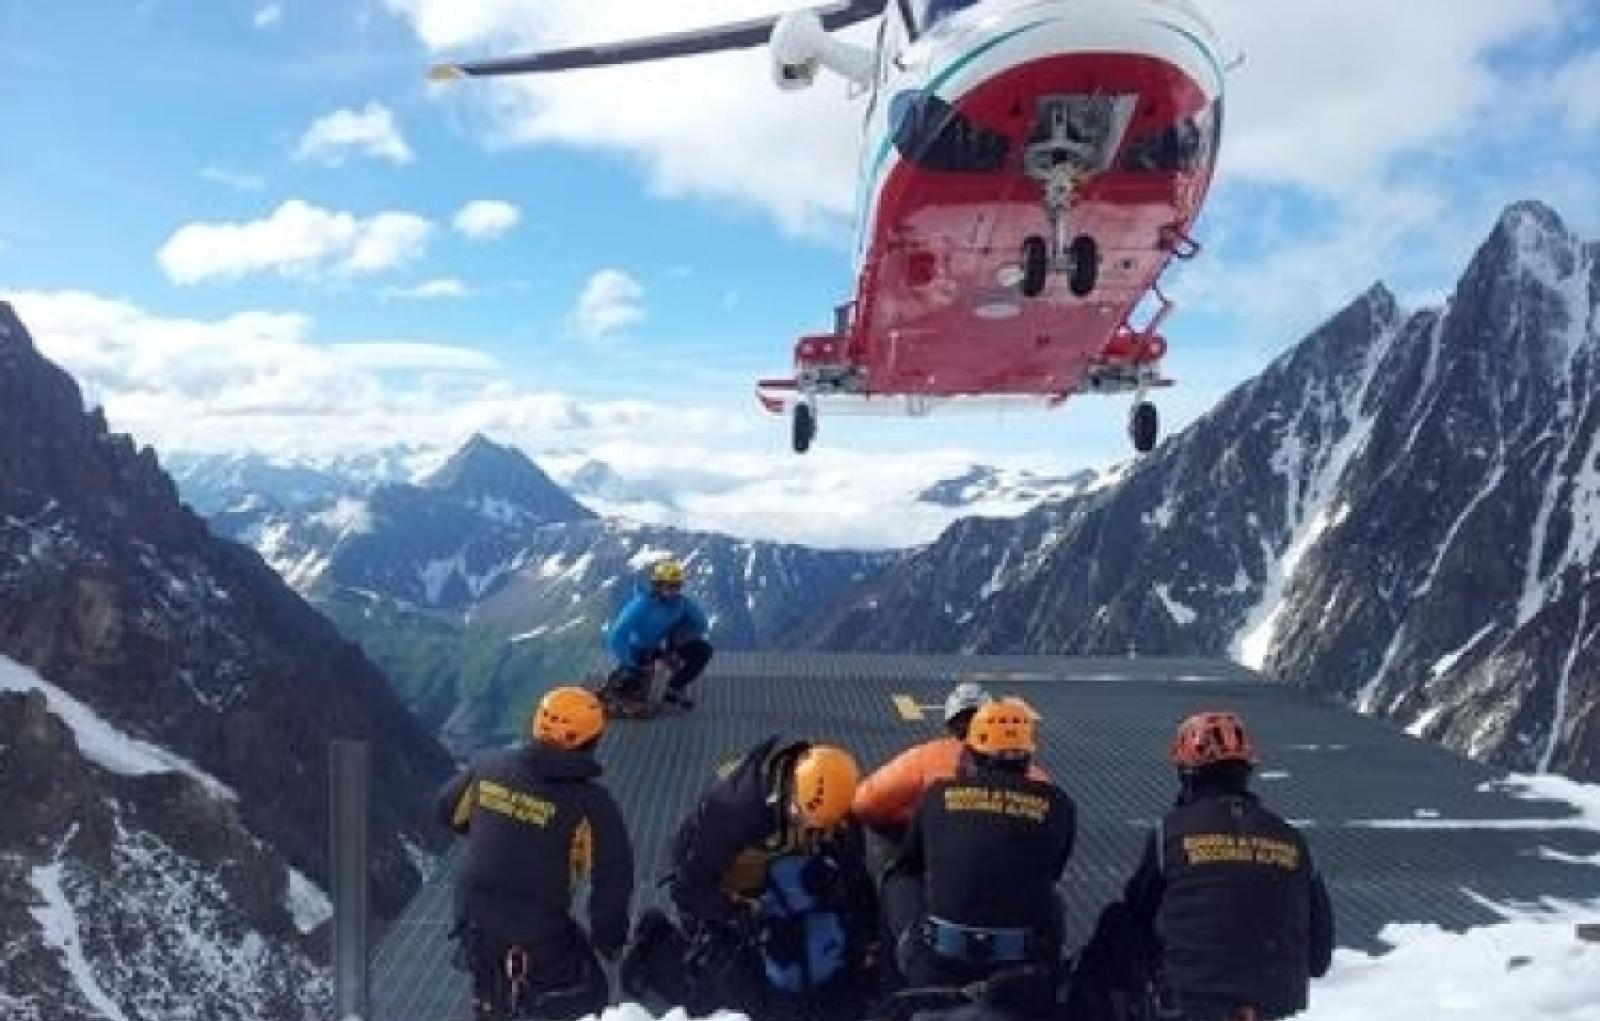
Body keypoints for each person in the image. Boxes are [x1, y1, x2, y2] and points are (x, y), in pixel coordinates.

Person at [1071, 712, 1334, 1021]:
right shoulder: (1294, 841)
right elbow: (1319, 956)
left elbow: (1138, 915)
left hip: (1189, 1000)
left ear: (1188, 773)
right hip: (1270, 1005)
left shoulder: (1170, 833)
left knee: (1116, 925)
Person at [620, 738, 881, 1020]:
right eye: (803, 819)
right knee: (742, 998)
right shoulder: (734, 811)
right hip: (719, 885)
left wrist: (853, 913)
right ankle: (656, 945)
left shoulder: (827, 801)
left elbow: (851, 861)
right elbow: (688, 889)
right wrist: (748, 922)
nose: (810, 828)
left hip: (772, 870)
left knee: (829, 964)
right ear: (790, 793)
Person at [437, 686, 634, 1021]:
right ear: (591, 740)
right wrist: (609, 939)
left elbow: (446, 810)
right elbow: (613, 881)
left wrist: (501, 827)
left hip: (475, 920)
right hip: (540, 935)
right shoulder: (594, 806)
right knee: (590, 996)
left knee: (493, 992)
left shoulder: (490, 765)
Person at [882, 699, 1076, 1018]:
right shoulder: (1059, 805)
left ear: (970, 753)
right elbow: (1053, 870)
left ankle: (892, 984)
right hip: (1018, 972)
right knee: (1052, 902)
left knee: (896, 878)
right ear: (1028, 756)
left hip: (937, 964)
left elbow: (908, 864)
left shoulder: (937, 795)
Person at [854, 682, 1052, 845]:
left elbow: (865, 803)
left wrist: (911, 820)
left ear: (951, 726)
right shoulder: (1039, 780)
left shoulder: (925, 758)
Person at [604, 558, 713, 711]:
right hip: (639, 649)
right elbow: (617, 636)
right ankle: (623, 688)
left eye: (675, 586)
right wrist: (630, 663)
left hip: (663, 646)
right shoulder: (641, 605)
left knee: (703, 650)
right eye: (666, 585)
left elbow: (702, 624)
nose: (671, 590)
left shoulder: (681, 603)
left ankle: (673, 689)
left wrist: (675, 643)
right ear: (656, 585)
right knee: (637, 678)